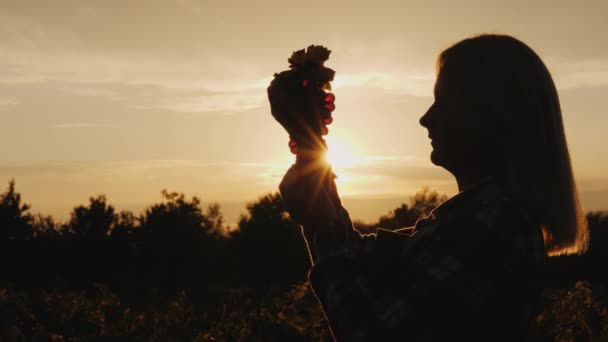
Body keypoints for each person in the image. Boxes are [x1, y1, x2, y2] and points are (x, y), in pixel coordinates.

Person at [278, 34, 590, 341]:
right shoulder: (473, 222)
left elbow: (369, 331)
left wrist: (320, 220)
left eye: (444, 103)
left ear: (491, 118)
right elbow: (363, 258)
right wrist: (309, 142)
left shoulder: (488, 228)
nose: (425, 119)